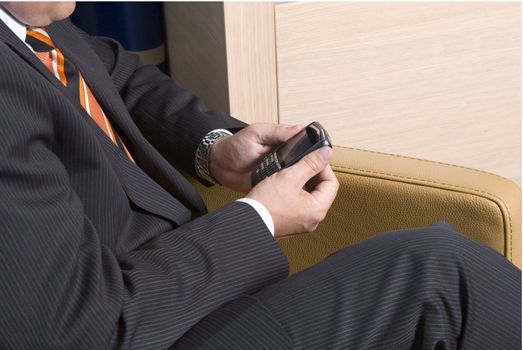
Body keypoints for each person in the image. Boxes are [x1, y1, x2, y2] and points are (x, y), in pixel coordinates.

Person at [0, 2, 519, 349]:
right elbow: (78, 330)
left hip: (187, 297)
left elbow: (112, 71)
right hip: (148, 327)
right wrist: (261, 217)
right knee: (440, 274)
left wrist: (216, 148)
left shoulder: (30, 20)